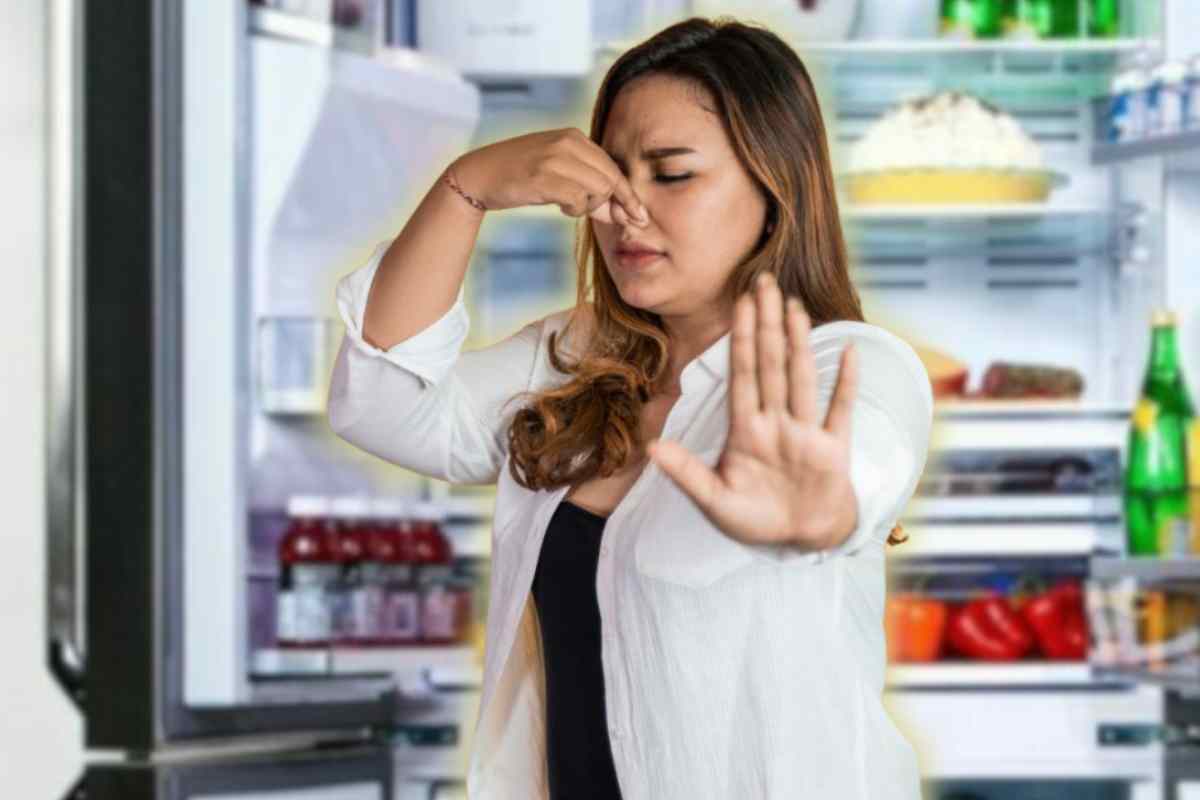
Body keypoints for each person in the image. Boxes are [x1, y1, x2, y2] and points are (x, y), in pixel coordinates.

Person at [328, 15, 932, 800]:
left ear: (774, 189)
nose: (625, 209)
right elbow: (380, 403)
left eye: (671, 174)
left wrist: (816, 513)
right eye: (612, 175)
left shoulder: (840, 364)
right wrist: (466, 187)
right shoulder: (571, 362)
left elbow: (860, 462)